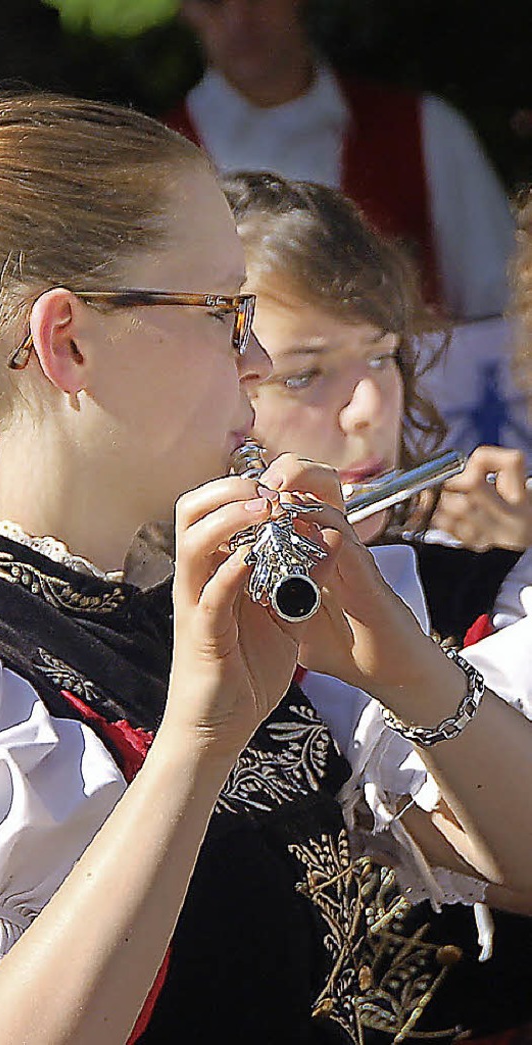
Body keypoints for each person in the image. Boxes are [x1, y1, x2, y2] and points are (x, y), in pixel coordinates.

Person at [0, 91, 531, 1045]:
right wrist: (194, 744)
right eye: (225, 312)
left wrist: (403, 667)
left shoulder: (198, 601)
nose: (259, 357)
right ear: (66, 340)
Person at [222, 168, 532, 1039]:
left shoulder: (495, 595)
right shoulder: (104, 630)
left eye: (384, 356)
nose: (368, 409)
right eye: (308, 372)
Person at [172, 0, 515, 322]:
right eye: (213, 0)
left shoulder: (426, 128)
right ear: (186, 8)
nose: (239, 17)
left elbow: (501, 309)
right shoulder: (161, 166)